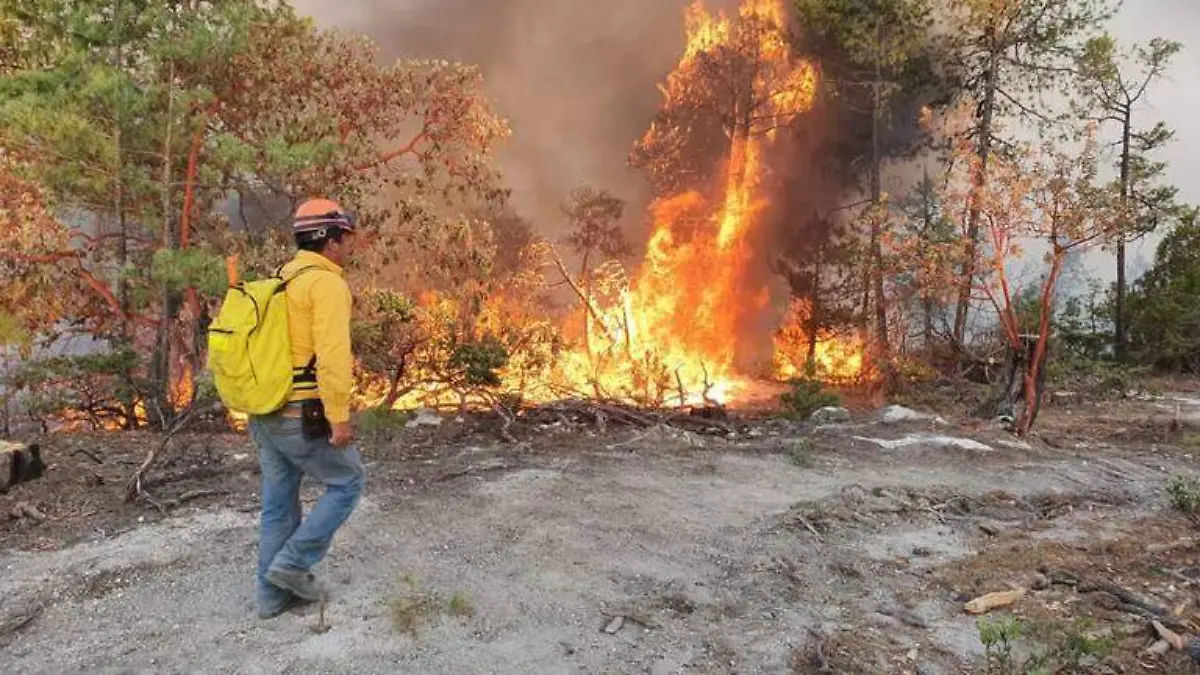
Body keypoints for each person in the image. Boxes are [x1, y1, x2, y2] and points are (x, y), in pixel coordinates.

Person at [250, 198, 365, 619]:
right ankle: (292, 565)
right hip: (299, 413)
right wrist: (339, 416)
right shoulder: (327, 284)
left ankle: (269, 597)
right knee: (348, 482)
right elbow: (333, 356)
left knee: (278, 504)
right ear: (330, 240)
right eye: (345, 238)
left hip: (265, 410)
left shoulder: (281, 278)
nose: (348, 246)